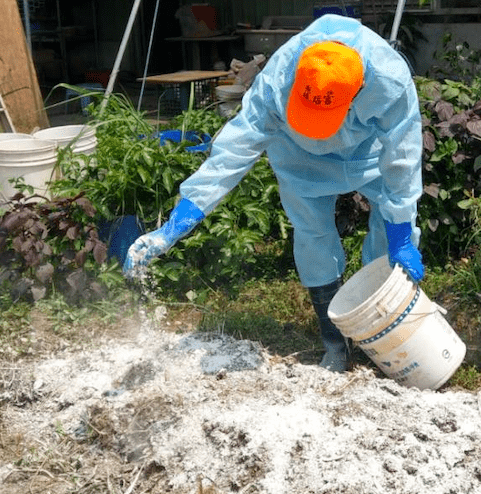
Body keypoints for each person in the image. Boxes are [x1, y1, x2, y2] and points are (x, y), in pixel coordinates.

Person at [124, 13, 424, 373]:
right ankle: (335, 343)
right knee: (313, 234)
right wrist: (178, 221)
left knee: (390, 237)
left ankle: (379, 328)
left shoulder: (388, 79)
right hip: (299, 155)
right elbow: (234, 149)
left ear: (358, 90)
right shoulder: (278, 78)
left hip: (368, 153)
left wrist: (402, 234)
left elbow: (402, 158)